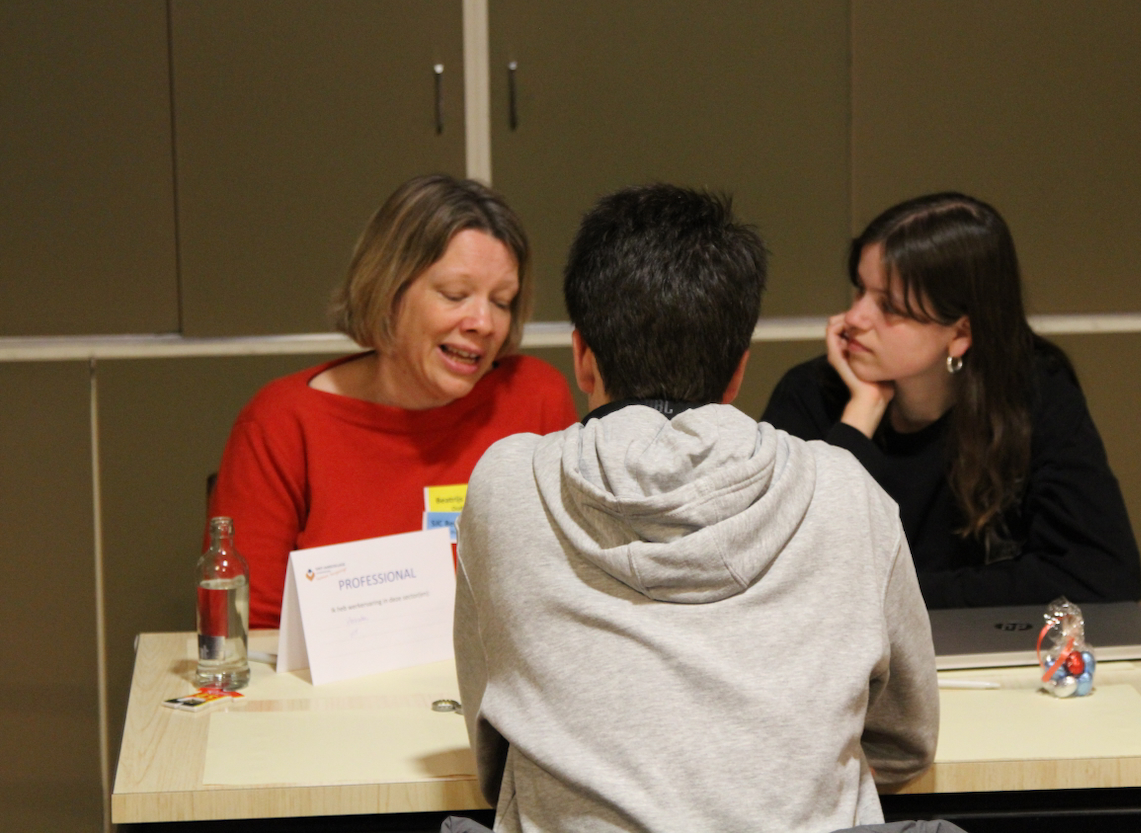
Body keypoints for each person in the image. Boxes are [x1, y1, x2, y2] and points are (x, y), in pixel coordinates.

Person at [454, 184, 938, 833]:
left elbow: (493, 748)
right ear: (737, 372)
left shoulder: (504, 485)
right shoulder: (848, 490)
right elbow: (906, 741)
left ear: (582, 357)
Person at [208, 175, 579, 628]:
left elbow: (574, 588)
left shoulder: (534, 397)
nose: (484, 322)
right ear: (390, 292)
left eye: (502, 301)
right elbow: (244, 628)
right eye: (455, 295)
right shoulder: (282, 422)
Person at [762, 192, 1141, 609]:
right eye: (860, 291)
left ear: (960, 333)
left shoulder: (1030, 392)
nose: (854, 319)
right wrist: (857, 421)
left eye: (889, 306)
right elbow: (781, 575)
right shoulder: (812, 392)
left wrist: (895, 597)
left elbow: (1100, 575)